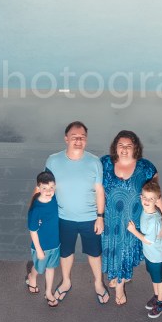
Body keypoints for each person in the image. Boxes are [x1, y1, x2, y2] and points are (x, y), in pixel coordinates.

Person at [46, 121, 109, 305]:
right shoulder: (53, 160)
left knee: (95, 253)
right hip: (64, 218)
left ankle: (98, 283)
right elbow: (45, 188)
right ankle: (66, 282)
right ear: (66, 139)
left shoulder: (94, 162)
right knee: (65, 253)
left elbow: (99, 191)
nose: (78, 140)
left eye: (82, 137)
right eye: (74, 137)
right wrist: (37, 212)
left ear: (86, 140)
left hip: (90, 218)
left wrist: (100, 217)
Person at [100, 130, 162, 306]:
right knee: (114, 253)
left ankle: (119, 290)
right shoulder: (105, 163)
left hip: (132, 224)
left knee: (123, 254)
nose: (125, 149)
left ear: (136, 147)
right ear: (115, 147)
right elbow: (94, 187)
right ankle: (118, 276)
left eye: (129, 146)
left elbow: (156, 195)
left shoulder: (145, 167)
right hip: (110, 221)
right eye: (121, 145)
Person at [127, 180, 162, 318]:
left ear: (156, 201)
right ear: (141, 197)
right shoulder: (146, 211)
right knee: (154, 279)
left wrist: (133, 231)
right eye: (145, 197)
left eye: (151, 199)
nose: (146, 200)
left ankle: (161, 303)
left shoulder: (154, 220)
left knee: (160, 280)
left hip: (157, 256)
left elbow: (148, 240)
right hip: (150, 255)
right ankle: (157, 296)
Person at [26, 170, 61, 307]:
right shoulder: (36, 209)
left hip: (55, 244)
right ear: (38, 188)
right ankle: (32, 276)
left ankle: (48, 292)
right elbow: (33, 231)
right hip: (41, 247)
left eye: (52, 187)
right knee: (39, 268)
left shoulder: (54, 200)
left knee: (51, 268)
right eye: (44, 188)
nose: (49, 191)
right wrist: (39, 250)